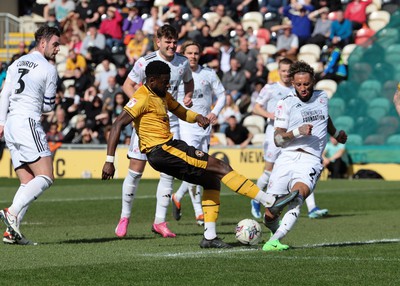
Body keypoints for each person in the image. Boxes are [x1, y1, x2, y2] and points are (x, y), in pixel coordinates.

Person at [102, 60, 298, 248]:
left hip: (167, 149)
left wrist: (199, 117)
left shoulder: (162, 94)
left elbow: (181, 111)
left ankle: (210, 236)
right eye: (164, 81)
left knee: (211, 181)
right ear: (152, 81)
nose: (168, 84)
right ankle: (270, 202)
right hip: (163, 150)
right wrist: (109, 161)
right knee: (221, 167)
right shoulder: (142, 97)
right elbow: (118, 124)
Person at [116, 25, 194, 239]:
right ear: (157, 42)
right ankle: (124, 218)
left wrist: (188, 96)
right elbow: (127, 85)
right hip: (146, 125)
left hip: (171, 124)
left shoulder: (182, 62)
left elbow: (189, 81)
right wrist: (139, 108)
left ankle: (160, 221)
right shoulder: (144, 62)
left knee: (168, 173)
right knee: (136, 170)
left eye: (174, 41)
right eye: (167, 41)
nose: (172, 45)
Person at [261, 60, 347, 251]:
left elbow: (325, 117)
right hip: (286, 157)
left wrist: (335, 135)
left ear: (313, 81)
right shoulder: (286, 104)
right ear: (293, 83)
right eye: (298, 84)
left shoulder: (322, 97)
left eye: (306, 84)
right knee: (269, 214)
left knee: (297, 196)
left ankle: (274, 240)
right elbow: (278, 140)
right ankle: (274, 233)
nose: (303, 88)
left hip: (311, 159)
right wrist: (296, 132)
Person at [0, 25, 61, 245]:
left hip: (11, 123)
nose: (57, 49)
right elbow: (47, 107)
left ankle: (11, 232)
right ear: (42, 43)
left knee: (27, 180)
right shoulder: (49, 69)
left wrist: (1, 122)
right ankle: (12, 212)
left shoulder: (16, 62)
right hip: (28, 121)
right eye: (55, 44)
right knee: (46, 177)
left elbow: (4, 93)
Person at [171, 40, 226, 226]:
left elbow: (223, 95)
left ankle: (178, 196)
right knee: (194, 166)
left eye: (196, 53)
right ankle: (198, 212)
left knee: (200, 168)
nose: (193, 56)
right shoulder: (178, 74)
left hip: (204, 127)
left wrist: (214, 112)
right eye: (189, 53)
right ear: (183, 54)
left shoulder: (208, 73)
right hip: (185, 125)